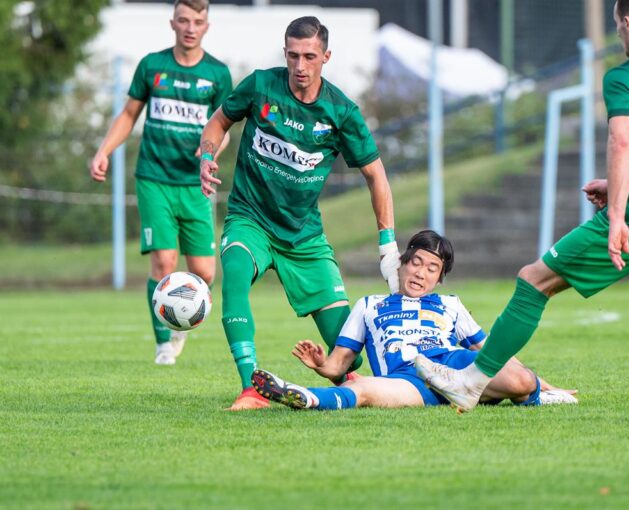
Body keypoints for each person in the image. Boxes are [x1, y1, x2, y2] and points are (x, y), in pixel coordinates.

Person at [414, 0, 629, 423]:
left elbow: (622, 142)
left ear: (627, 22)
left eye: (617, 25)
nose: (618, 33)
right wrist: (616, 187)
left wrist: (617, 216)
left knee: (533, 281)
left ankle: (471, 382)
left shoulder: (624, 76)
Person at [199, 16, 401, 411]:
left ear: (326, 57)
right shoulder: (261, 85)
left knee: (347, 350)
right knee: (234, 274)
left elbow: (377, 176)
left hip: (303, 235)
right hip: (250, 218)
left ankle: (355, 383)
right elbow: (219, 122)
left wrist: (387, 246)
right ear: (285, 53)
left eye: (309, 56)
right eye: (293, 55)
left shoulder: (341, 112)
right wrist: (207, 155)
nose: (300, 65)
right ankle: (252, 388)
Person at [251, 230, 578, 411]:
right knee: (361, 389)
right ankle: (304, 396)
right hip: (408, 379)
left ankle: (534, 394)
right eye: (416, 263)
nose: (421, 273)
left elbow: (495, 352)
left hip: (457, 366)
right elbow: (338, 366)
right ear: (403, 263)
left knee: (520, 380)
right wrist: (321, 364)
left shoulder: (450, 304)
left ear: (439, 279)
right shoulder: (369, 305)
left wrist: (543, 383)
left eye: (432, 269)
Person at [89, 0, 232, 366]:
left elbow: (224, 129)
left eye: (197, 22)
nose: (190, 28)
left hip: (196, 183)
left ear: (206, 26)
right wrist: (104, 150)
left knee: (205, 272)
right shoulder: (152, 66)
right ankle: (163, 344)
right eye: (183, 20)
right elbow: (129, 114)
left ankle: (180, 320)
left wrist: (210, 153)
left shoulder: (218, 74)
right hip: (154, 178)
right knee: (164, 261)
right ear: (173, 23)